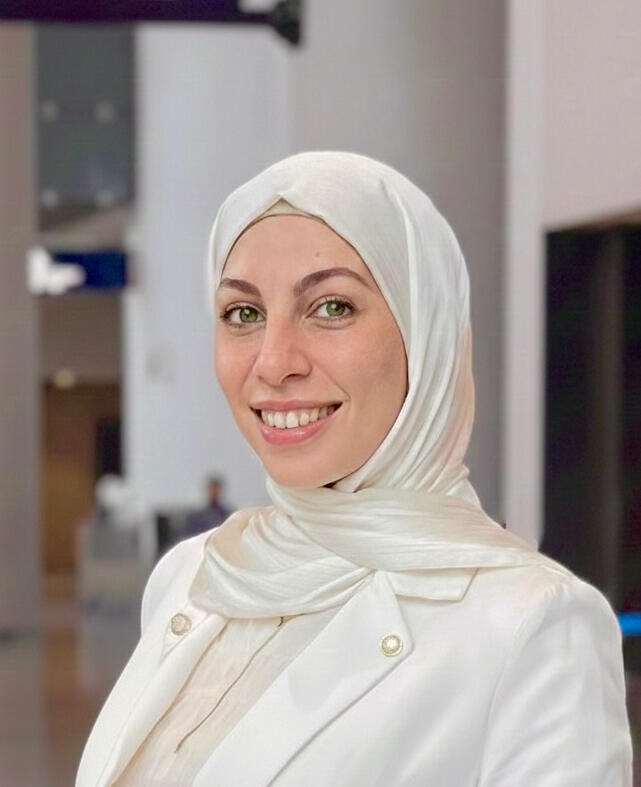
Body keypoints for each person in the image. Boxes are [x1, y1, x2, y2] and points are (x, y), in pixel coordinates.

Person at [77, 152, 632, 786]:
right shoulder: (196, 575)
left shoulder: (532, 624)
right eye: (243, 314)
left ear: (424, 334)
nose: (274, 362)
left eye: (332, 307)